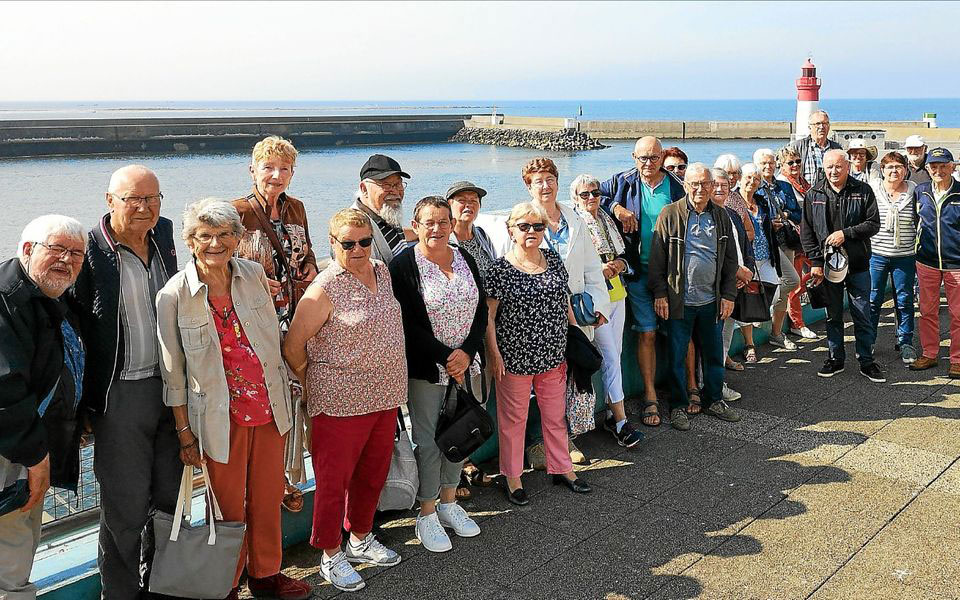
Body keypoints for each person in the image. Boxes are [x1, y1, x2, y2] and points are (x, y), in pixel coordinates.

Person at [156, 199, 311, 600]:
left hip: (268, 407)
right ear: (190, 241)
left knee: (266, 498)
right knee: (226, 509)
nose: (215, 243)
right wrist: (184, 433)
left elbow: (271, 341)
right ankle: (225, 584)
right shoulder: (174, 295)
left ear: (237, 238)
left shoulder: (253, 274)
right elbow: (173, 373)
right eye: (205, 236)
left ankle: (266, 576)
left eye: (225, 234)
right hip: (216, 419)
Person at [70, 165, 182, 599]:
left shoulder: (166, 237)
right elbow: (75, 326)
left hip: (170, 390)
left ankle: (162, 587)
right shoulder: (89, 250)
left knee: (169, 498)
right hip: (119, 396)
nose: (144, 207)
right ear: (109, 200)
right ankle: (119, 594)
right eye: (133, 199)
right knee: (125, 506)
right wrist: (82, 407)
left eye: (152, 198)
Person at [282, 208, 404, 592]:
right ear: (332, 243)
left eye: (364, 242)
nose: (357, 249)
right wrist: (314, 379)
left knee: (372, 474)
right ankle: (330, 555)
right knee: (334, 483)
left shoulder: (381, 273)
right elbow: (293, 347)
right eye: (347, 243)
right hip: (338, 402)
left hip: (384, 395)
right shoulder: (324, 288)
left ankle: (360, 537)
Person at [388, 196, 486, 553]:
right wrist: (447, 356)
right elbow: (407, 324)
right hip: (428, 370)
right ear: (415, 224)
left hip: (465, 367)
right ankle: (426, 512)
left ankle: (449, 504)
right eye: (429, 222)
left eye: (443, 221)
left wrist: (468, 352)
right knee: (429, 442)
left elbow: (480, 310)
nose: (437, 229)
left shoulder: (466, 258)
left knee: (460, 435)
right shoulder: (403, 266)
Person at [0, 216, 86, 600]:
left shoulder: (47, 294)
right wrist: (36, 458)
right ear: (27, 249)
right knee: (12, 545)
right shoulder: (7, 299)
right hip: (13, 449)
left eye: (76, 253)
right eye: (57, 249)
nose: (66, 260)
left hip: (25, 441)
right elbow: (5, 388)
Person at [485, 202, 592, 506]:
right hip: (515, 358)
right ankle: (512, 476)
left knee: (555, 417)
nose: (531, 231)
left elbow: (565, 301)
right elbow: (489, 317)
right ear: (511, 229)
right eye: (524, 226)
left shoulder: (554, 259)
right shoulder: (500, 269)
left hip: (554, 354)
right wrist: (495, 354)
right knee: (513, 420)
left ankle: (562, 468)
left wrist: (574, 337)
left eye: (538, 226)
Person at [232, 135, 314, 513]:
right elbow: (213, 263)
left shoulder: (296, 208)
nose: (276, 175)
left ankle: (289, 477)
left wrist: (311, 266)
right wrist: (252, 279)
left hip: (294, 318)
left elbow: (307, 252)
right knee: (268, 401)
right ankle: (273, 483)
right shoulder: (235, 212)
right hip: (256, 325)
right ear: (253, 170)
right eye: (268, 167)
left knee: (296, 397)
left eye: (284, 169)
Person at [521, 157, 610, 465]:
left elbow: (591, 266)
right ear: (528, 185)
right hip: (535, 317)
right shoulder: (522, 218)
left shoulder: (573, 218)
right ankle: (535, 444)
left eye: (549, 179)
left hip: (572, 314)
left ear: (557, 182)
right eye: (537, 181)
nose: (545, 186)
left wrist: (600, 304)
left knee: (567, 378)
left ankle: (564, 439)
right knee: (536, 381)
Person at [600, 137, 685, 427]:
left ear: (662, 157)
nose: (647, 164)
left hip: (671, 273)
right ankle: (650, 394)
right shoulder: (622, 182)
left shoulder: (675, 186)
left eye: (653, 157)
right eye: (642, 158)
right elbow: (591, 195)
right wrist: (618, 209)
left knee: (677, 334)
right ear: (633, 157)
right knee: (647, 332)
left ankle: (683, 393)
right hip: (636, 271)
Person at [648, 164, 741, 431]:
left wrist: (729, 295)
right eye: (694, 184)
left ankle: (713, 399)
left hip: (712, 301)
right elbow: (657, 259)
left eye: (705, 184)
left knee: (714, 355)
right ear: (686, 185)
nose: (700, 189)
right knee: (676, 356)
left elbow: (730, 261)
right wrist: (660, 294)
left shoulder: (721, 215)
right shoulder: (670, 214)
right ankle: (678, 406)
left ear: (713, 186)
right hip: (679, 301)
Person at [570, 174, 643, 447]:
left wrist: (620, 265)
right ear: (575, 198)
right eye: (584, 194)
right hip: (593, 300)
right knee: (610, 356)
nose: (591, 198)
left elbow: (627, 252)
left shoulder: (607, 219)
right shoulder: (574, 225)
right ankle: (621, 422)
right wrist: (597, 269)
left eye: (595, 193)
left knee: (617, 354)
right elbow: (573, 264)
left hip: (617, 292)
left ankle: (613, 415)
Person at [800, 150, 884, 382]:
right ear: (823, 168)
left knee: (862, 314)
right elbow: (806, 231)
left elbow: (873, 224)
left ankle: (867, 361)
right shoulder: (813, 193)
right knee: (833, 315)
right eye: (829, 167)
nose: (833, 171)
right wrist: (815, 262)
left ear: (847, 166)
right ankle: (835, 358)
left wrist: (846, 234)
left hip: (858, 264)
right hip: (827, 266)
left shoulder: (862, 190)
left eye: (838, 166)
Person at [910, 148, 960, 378]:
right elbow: (913, 221)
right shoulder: (921, 191)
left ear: (953, 167)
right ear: (928, 169)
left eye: (943, 165)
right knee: (927, 311)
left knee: (958, 313)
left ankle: (957, 358)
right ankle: (930, 353)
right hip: (927, 261)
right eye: (933, 166)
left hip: (956, 263)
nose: (938, 170)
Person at [868, 152, 918, 365]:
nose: (894, 171)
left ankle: (905, 341)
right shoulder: (873, 189)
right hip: (877, 254)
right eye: (889, 167)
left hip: (905, 256)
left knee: (905, 300)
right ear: (883, 169)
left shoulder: (915, 190)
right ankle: (868, 341)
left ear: (905, 169)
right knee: (872, 299)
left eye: (899, 166)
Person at [711, 169, 753, 401]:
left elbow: (745, 246)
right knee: (712, 339)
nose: (719, 190)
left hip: (734, 286)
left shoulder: (732, 214)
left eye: (724, 186)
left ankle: (718, 382)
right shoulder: (706, 215)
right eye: (715, 185)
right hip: (716, 288)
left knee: (726, 336)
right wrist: (734, 272)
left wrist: (747, 270)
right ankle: (710, 385)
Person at [754, 148, 801, 351]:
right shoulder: (755, 187)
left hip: (785, 241)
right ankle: (762, 308)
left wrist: (786, 216)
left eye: (771, 162)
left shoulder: (784, 186)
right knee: (784, 281)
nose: (768, 166)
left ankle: (776, 332)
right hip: (766, 244)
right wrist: (768, 224)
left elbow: (799, 213)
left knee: (789, 283)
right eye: (764, 163)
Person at [738, 164, 781, 364]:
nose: (751, 182)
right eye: (748, 177)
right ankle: (749, 345)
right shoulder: (734, 201)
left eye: (756, 179)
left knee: (776, 291)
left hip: (766, 255)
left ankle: (759, 316)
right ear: (740, 178)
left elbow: (765, 226)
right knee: (747, 301)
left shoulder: (760, 201)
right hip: (748, 259)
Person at [776, 146, 818, 340]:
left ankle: (816, 311)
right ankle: (796, 323)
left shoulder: (802, 182)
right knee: (795, 283)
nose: (795, 165)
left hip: (808, 237)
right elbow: (786, 211)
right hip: (794, 239)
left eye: (798, 161)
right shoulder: (782, 183)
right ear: (781, 164)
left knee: (818, 272)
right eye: (790, 162)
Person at [352, 154, 415, 263]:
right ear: (364, 189)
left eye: (398, 184)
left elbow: (391, 235)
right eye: (386, 185)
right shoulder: (355, 225)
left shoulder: (383, 212)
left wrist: (423, 232)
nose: (395, 191)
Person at [447, 180, 496, 278]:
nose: (468, 204)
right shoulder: (444, 240)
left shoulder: (482, 235)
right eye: (462, 200)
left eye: (473, 200)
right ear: (449, 204)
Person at [791, 110, 842, 185]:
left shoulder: (836, 148)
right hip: (805, 195)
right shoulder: (798, 147)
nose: (821, 127)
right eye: (817, 124)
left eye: (825, 123)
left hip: (830, 195)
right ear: (809, 127)